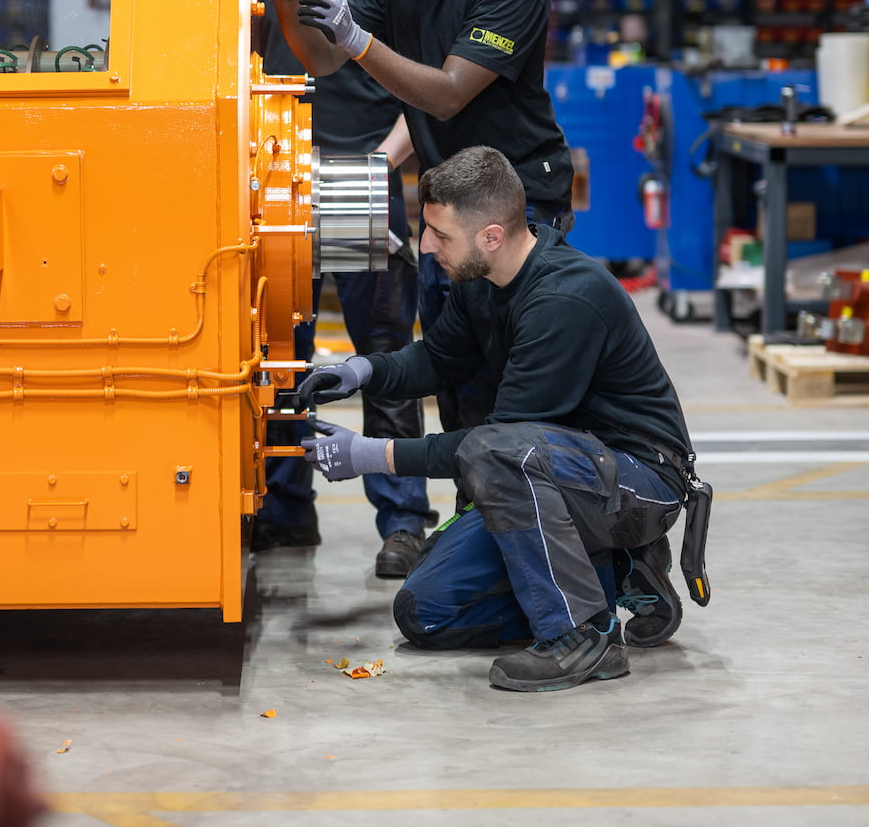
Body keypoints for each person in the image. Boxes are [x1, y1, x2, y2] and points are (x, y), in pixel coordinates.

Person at [295, 146, 701, 693]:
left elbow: (493, 447)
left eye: (439, 233)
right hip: (561, 474)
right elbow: (439, 359)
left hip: (639, 479)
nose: (424, 245)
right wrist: (362, 371)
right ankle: (621, 572)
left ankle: (583, 635)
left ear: (490, 235)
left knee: (497, 453)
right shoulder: (480, 279)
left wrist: (372, 455)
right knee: (426, 613)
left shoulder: (566, 298)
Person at [275, 0, 575, 432]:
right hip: (445, 200)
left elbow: (446, 93)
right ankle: (470, 514)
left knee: (512, 377)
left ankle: (515, 513)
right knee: (453, 373)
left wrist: (357, 40)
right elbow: (324, 58)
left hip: (516, 200)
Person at [252, 0, 436, 577]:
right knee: (280, 357)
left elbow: (424, 88)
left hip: (363, 178)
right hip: (279, 185)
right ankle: (287, 509)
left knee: (383, 356)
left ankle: (402, 520)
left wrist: (381, 166)